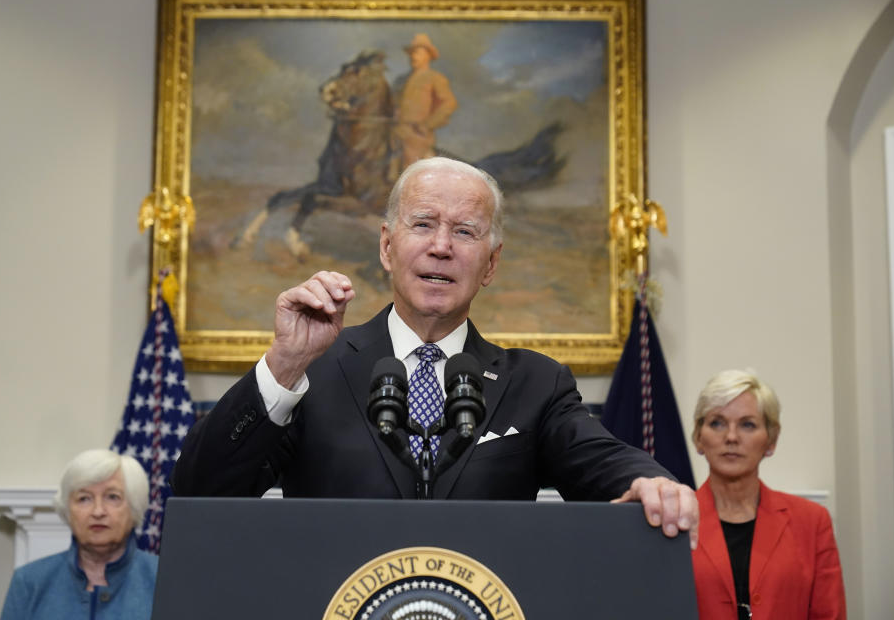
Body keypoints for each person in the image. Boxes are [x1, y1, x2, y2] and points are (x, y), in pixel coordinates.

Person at [171, 156, 698, 547]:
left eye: (465, 232)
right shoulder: (315, 373)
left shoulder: (534, 384)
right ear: (386, 245)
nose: (441, 246)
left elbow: (602, 461)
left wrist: (651, 482)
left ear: (490, 265)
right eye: (422, 224)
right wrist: (284, 365)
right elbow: (201, 487)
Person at [690, 370, 846, 619]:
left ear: (771, 440)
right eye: (717, 423)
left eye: (747, 424)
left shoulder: (812, 521)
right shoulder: (674, 520)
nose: (731, 437)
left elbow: (829, 614)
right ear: (698, 437)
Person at [0, 449, 158, 620]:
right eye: (84, 499)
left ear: (134, 507)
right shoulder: (29, 582)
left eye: (112, 497)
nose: (98, 511)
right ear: (67, 510)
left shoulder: (164, 579)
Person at [392, 33, 458, 170]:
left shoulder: (434, 78)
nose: (412, 56)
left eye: (417, 53)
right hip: (394, 134)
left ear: (428, 55)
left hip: (417, 137)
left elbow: (449, 103)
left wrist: (427, 125)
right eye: (411, 53)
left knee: (411, 172)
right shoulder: (401, 80)